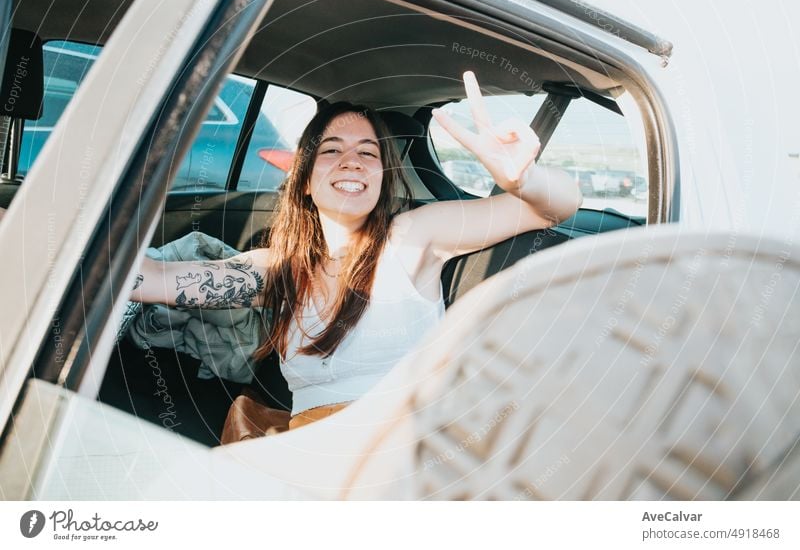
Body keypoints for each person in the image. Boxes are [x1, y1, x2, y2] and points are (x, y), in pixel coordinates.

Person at [132, 71, 582, 430]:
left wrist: (525, 180)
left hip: (398, 454)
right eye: (332, 150)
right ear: (305, 181)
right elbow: (152, 279)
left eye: (368, 153)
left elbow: (552, 209)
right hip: (306, 456)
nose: (352, 161)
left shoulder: (412, 236)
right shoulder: (279, 269)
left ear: (382, 177)